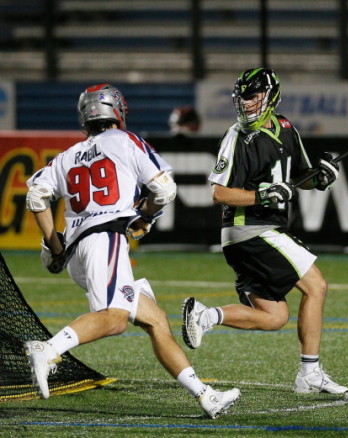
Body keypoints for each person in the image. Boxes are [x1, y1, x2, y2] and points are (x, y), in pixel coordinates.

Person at [23, 83, 239, 418]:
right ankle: (48, 349)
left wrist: (54, 244)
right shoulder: (125, 141)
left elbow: (36, 196)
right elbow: (164, 189)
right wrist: (146, 217)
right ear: (116, 111)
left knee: (155, 320)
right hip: (105, 240)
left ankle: (205, 395)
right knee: (115, 320)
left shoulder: (67, 156)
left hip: (79, 251)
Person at [182, 68, 348, 395]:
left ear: (271, 97)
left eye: (253, 96)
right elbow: (219, 193)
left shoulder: (286, 128)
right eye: (243, 97)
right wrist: (263, 195)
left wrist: (323, 176)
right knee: (316, 285)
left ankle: (205, 316)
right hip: (250, 230)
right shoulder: (236, 137)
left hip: (261, 232)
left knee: (274, 316)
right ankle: (310, 373)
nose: (246, 104)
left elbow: (304, 177)